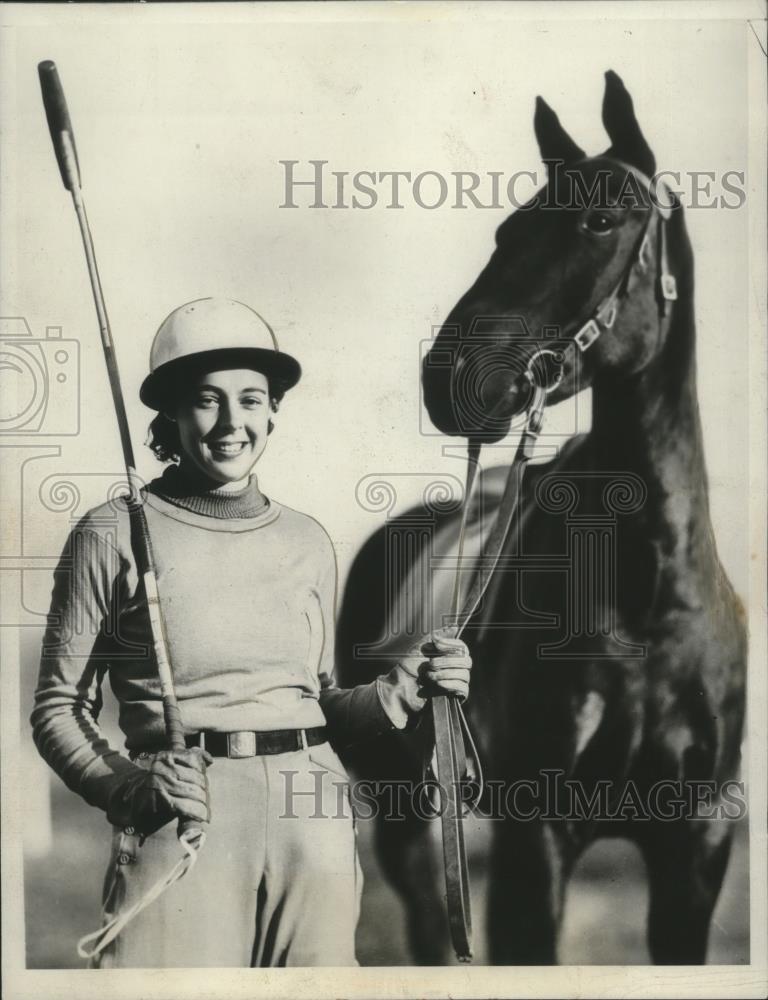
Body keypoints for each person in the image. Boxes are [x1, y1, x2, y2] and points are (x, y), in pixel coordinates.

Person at [31, 297, 472, 969]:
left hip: (314, 820)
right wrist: (130, 790)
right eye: (207, 399)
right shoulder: (111, 532)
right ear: (171, 413)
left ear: (273, 410)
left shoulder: (306, 539)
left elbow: (316, 701)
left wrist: (404, 687)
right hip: (182, 817)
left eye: (251, 399)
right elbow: (59, 709)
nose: (232, 422)